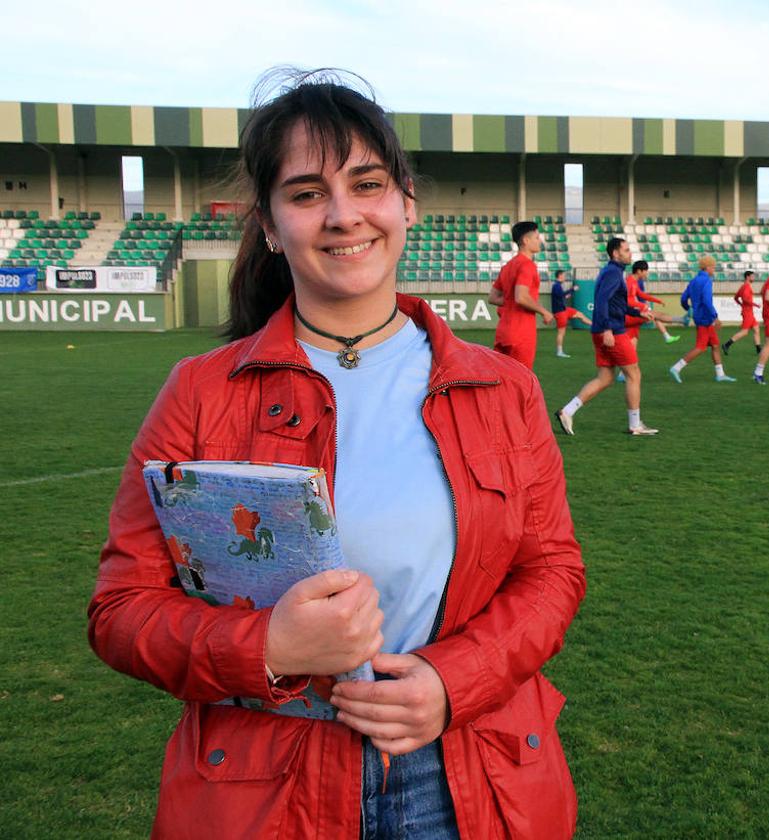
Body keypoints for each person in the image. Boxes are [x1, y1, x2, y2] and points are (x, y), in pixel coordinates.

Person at [87, 71, 586, 840]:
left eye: (368, 183)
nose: (344, 215)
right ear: (270, 221)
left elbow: (552, 571)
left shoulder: (503, 388)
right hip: (267, 782)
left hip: (466, 772)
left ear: (406, 201)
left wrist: (455, 681)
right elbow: (122, 610)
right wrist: (268, 647)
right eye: (307, 192)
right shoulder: (199, 393)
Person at [555, 237, 658, 435]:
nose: (630, 253)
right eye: (626, 250)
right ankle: (635, 424)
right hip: (612, 331)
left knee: (605, 377)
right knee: (633, 373)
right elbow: (601, 301)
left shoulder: (613, 271)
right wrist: (608, 329)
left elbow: (616, 303)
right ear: (615, 253)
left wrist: (638, 313)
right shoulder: (613, 272)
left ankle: (567, 411)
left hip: (603, 330)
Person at [489, 220, 555, 368]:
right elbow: (521, 297)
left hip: (503, 332)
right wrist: (544, 312)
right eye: (537, 238)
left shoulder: (508, 266)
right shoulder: (527, 265)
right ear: (526, 240)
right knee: (522, 381)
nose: (540, 241)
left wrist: (510, 301)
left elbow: (492, 297)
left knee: (503, 380)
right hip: (521, 333)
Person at [669, 255, 736, 383]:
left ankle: (720, 375)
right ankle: (676, 368)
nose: (714, 270)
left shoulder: (694, 280)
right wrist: (715, 317)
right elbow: (706, 301)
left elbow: (683, 299)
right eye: (713, 267)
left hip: (699, 317)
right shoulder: (707, 281)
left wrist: (688, 309)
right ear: (708, 267)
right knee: (700, 347)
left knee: (715, 345)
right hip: (705, 319)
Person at [625, 260, 680, 346]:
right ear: (639, 271)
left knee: (631, 352)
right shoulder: (629, 282)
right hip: (631, 315)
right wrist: (642, 305)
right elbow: (625, 300)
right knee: (658, 315)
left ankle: (667, 335)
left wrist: (657, 301)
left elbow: (641, 294)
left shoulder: (633, 281)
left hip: (633, 315)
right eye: (646, 271)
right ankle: (682, 320)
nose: (647, 273)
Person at [550, 269, 592, 358]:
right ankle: (559, 351)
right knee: (561, 332)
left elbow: (563, 296)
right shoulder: (556, 286)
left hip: (564, 309)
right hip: (560, 312)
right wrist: (572, 289)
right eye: (564, 275)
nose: (565, 277)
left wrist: (571, 291)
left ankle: (594, 326)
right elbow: (562, 295)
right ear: (560, 276)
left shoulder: (558, 285)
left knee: (580, 314)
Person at [722, 270, 762, 355]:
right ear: (747, 277)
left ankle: (759, 350)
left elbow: (736, 297)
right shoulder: (746, 286)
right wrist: (755, 305)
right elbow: (745, 299)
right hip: (747, 313)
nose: (754, 277)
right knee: (744, 332)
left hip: (749, 312)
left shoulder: (743, 286)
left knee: (756, 329)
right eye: (752, 276)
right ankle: (726, 344)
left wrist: (741, 305)